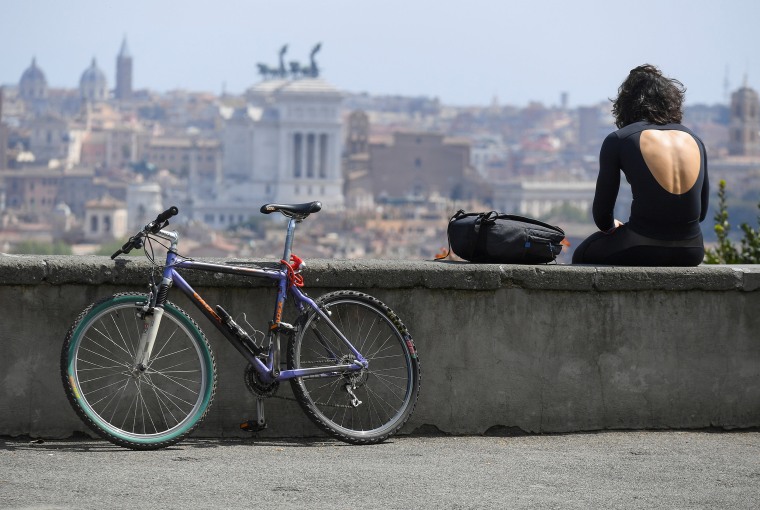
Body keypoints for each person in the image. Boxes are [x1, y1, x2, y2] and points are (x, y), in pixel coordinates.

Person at [572, 64, 709, 266]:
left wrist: (613, 226)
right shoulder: (694, 139)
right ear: (672, 102)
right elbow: (702, 213)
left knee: (582, 254)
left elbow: (602, 218)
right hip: (692, 251)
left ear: (625, 105)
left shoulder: (620, 139)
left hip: (640, 246)